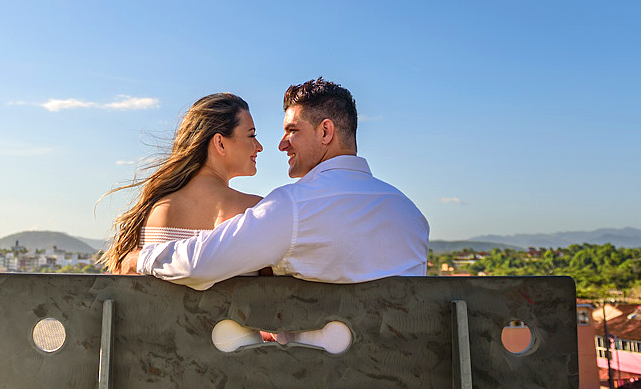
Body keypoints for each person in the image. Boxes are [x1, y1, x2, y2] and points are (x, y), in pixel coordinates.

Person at [125, 77, 428, 290]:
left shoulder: (293, 209)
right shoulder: (411, 215)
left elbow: (198, 264)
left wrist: (141, 258)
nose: (281, 144)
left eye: (292, 130)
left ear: (325, 132)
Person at [100, 92, 265, 274]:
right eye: (251, 135)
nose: (259, 146)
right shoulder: (256, 212)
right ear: (220, 143)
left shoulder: (158, 210)